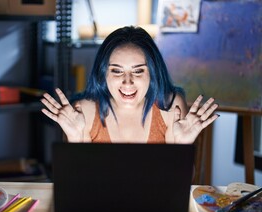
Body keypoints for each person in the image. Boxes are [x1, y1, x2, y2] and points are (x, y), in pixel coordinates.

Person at [41, 26, 219, 144]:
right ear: (103, 74)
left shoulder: (170, 106)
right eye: (117, 71)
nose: (128, 82)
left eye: (138, 71)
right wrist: (74, 138)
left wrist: (181, 147)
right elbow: (75, 184)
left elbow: (181, 184)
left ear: (152, 73)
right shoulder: (83, 111)